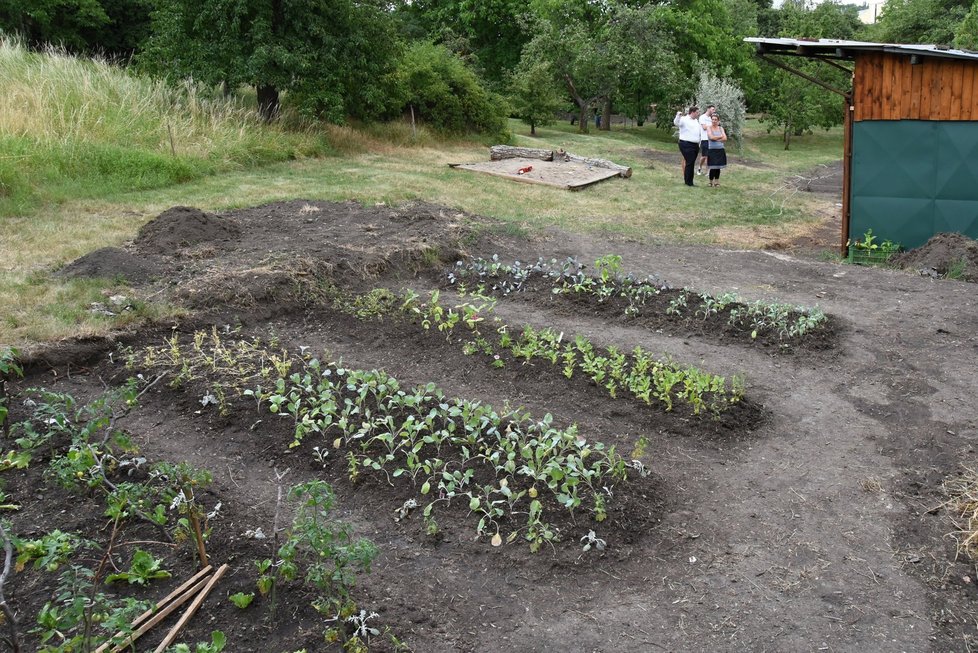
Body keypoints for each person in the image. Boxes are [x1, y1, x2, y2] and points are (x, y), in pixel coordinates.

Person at [674, 106, 701, 187]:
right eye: (697, 112)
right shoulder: (684, 119)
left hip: (695, 144)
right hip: (686, 143)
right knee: (690, 161)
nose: (698, 113)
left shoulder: (696, 121)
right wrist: (678, 115)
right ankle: (689, 182)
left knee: (691, 162)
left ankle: (688, 181)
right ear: (692, 112)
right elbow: (676, 123)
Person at [705, 114, 727, 187]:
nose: (714, 121)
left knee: (718, 167)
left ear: (718, 121)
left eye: (715, 120)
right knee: (712, 167)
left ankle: (717, 182)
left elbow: (725, 138)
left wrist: (716, 138)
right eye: (713, 119)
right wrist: (720, 137)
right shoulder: (709, 128)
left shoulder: (721, 128)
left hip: (720, 149)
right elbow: (711, 137)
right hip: (712, 150)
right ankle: (710, 182)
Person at [697, 105, 716, 175]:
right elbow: (704, 127)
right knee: (704, 156)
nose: (714, 111)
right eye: (713, 109)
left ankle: (708, 172)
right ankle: (699, 168)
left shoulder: (712, 118)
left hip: (711, 139)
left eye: (714, 110)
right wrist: (712, 126)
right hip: (704, 139)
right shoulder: (702, 117)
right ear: (708, 109)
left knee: (709, 156)